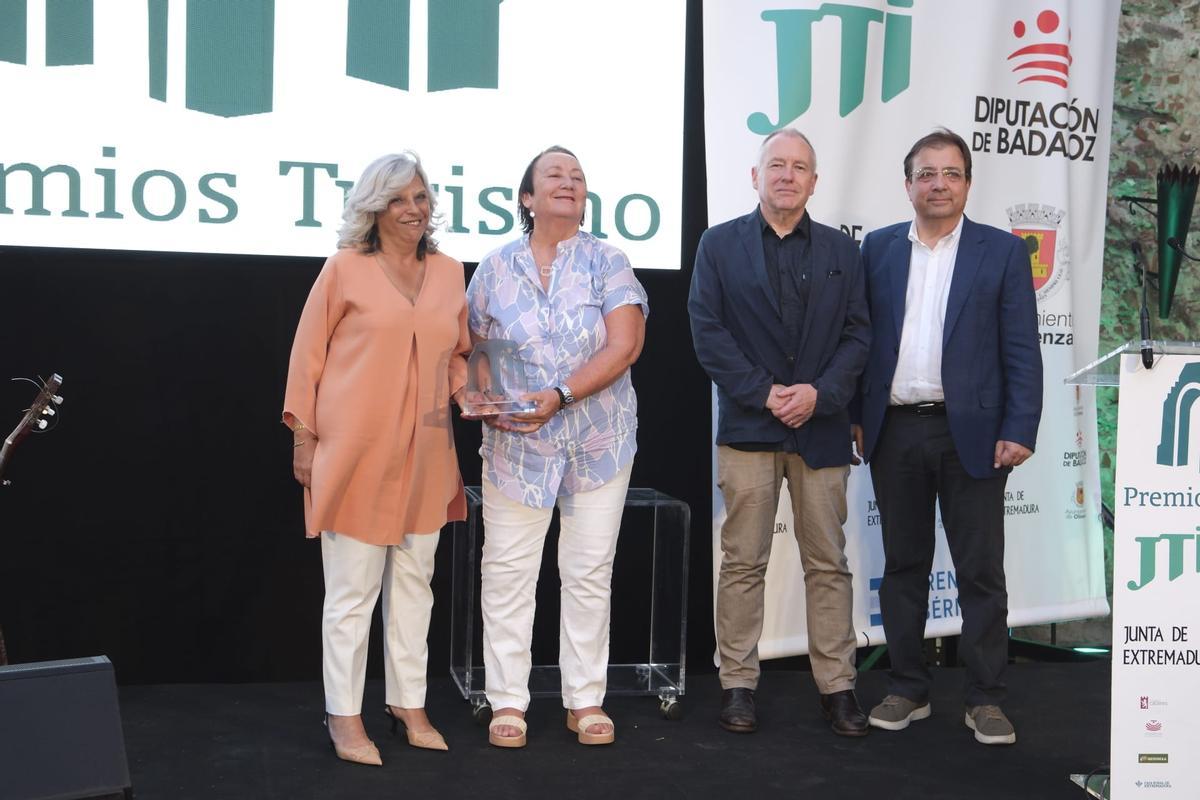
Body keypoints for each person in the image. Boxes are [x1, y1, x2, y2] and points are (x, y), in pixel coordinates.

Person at [852, 128, 1042, 745]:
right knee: (904, 567)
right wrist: (858, 415)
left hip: (977, 437)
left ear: (967, 182)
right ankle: (908, 688)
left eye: (951, 173)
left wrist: (1020, 426)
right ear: (908, 184)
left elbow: (1021, 348)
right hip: (895, 431)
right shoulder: (877, 249)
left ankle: (986, 697)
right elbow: (860, 343)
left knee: (980, 572)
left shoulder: (1003, 253)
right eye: (926, 173)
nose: (939, 183)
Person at [283, 152, 470, 765]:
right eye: (399, 199)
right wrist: (304, 441)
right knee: (352, 594)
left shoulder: (448, 271)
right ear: (373, 207)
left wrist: (471, 390)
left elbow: (459, 352)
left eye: (420, 197)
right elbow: (307, 357)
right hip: (355, 453)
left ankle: (408, 704)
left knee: (417, 585)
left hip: (428, 454)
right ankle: (344, 715)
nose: (413, 209)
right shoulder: (344, 269)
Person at [688, 129, 871, 737]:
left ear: (815, 181)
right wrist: (765, 393)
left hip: (820, 430)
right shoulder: (718, 245)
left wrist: (820, 394)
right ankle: (738, 684)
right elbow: (707, 332)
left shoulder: (845, 253)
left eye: (800, 167)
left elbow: (858, 336)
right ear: (756, 175)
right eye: (777, 165)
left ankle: (838, 687)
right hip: (748, 426)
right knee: (742, 561)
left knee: (829, 563)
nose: (788, 175)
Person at [465, 145, 648, 748]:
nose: (568, 183)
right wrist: (486, 400)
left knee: (588, 572)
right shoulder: (493, 269)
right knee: (509, 573)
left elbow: (624, 346)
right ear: (527, 197)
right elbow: (473, 353)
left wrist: (562, 394)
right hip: (517, 445)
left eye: (577, 177)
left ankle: (584, 700)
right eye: (554, 176)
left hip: (598, 440)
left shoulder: (608, 261)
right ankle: (508, 703)